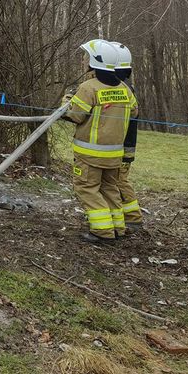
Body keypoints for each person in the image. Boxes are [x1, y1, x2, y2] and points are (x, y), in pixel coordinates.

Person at [63, 39, 138, 243]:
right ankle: (118, 229)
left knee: (86, 188)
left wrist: (66, 100)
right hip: (114, 155)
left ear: (95, 62)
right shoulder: (125, 89)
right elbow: (134, 112)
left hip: (90, 155)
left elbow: (75, 115)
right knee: (110, 189)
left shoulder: (89, 88)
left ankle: (102, 231)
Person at [111, 42, 143, 232]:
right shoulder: (124, 86)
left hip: (123, 147)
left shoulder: (123, 88)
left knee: (120, 181)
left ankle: (133, 217)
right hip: (121, 145)